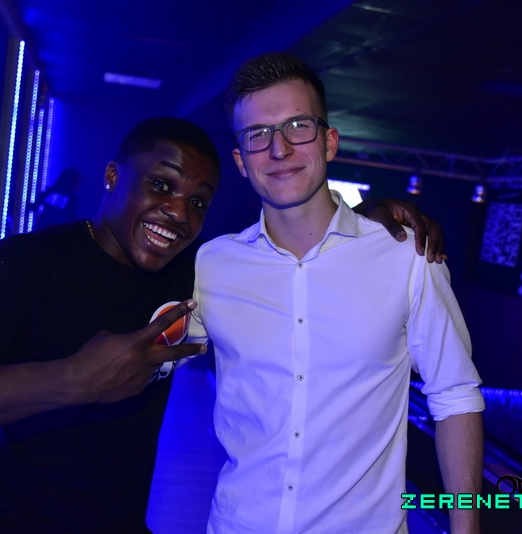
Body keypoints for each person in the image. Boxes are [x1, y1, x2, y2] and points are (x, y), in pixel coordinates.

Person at [0, 116, 445, 532]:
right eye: (161, 185)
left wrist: (361, 225)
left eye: (198, 202)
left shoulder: (192, 274)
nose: (178, 212)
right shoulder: (27, 264)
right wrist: (74, 380)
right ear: (111, 176)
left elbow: (293, 270)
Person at [189, 52, 484, 534]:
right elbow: (154, 355)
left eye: (297, 126)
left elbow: (455, 396)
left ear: (329, 142)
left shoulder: (406, 256)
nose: (279, 149)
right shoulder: (213, 264)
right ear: (241, 161)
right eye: (258, 134)